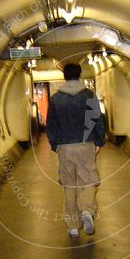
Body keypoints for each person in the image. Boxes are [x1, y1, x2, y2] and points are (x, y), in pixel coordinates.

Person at [46, 62, 105, 239]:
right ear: (79, 75)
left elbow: (51, 125)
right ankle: (87, 210)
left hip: (64, 146)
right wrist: (99, 141)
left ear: (65, 76)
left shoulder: (55, 98)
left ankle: (72, 226)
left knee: (69, 184)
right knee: (89, 180)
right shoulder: (89, 95)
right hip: (86, 144)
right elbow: (98, 120)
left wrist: (55, 145)